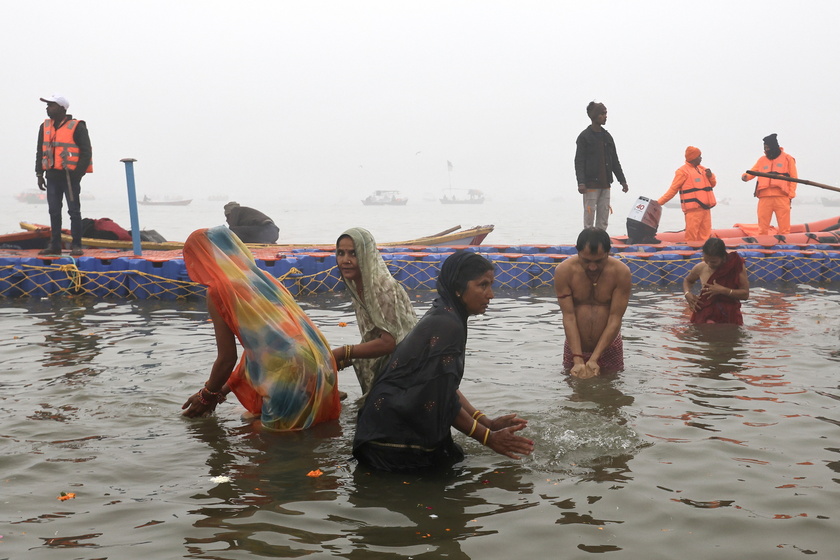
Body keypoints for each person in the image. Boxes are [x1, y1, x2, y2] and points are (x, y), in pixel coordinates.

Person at [353, 251, 535, 472]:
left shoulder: (445, 314)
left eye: (490, 285)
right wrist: (488, 438)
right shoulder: (449, 325)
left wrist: (485, 422)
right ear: (458, 289)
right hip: (390, 442)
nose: (491, 295)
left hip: (381, 431)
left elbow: (441, 384)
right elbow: (440, 396)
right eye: (483, 285)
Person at [181, 226, 340, 430]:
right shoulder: (265, 278)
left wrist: (206, 396)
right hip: (321, 360)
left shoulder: (219, 290)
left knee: (270, 446)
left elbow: (227, 359)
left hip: (289, 373)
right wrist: (221, 391)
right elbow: (264, 349)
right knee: (315, 433)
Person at [331, 227, 417, 395]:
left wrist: (342, 352)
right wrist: (340, 361)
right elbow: (374, 336)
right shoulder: (357, 285)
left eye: (353, 254)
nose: (345, 260)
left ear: (366, 255)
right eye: (341, 253)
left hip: (406, 372)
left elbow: (389, 342)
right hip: (391, 369)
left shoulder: (381, 288)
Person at [553, 228, 631, 378]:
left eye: (599, 261)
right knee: (574, 393)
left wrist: (595, 358)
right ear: (577, 251)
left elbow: (615, 318)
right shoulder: (564, 271)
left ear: (609, 252)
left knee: (611, 391)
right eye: (586, 261)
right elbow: (568, 316)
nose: (593, 267)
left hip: (610, 347)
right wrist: (577, 358)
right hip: (575, 347)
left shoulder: (621, 272)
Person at [35, 94, 92, 257]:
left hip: (70, 176)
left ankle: (76, 245)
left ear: (61, 108)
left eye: (51, 105)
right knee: (54, 210)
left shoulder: (77, 126)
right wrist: (39, 173)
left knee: (74, 211)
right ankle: (55, 246)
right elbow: (40, 151)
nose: (47, 108)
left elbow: (86, 153)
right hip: (52, 175)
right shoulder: (44, 127)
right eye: (47, 105)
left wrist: (77, 174)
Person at [574, 101, 629, 232]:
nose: (605, 116)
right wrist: (581, 182)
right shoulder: (584, 137)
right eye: (602, 114)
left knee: (603, 217)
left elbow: (615, 161)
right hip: (590, 185)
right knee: (589, 217)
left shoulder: (607, 137)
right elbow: (579, 162)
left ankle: (601, 242)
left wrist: (622, 180)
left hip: (605, 184)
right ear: (594, 116)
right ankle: (587, 242)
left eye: (606, 113)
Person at [741, 133, 798, 235]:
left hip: (782, 196)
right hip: (764, 197)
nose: (766, 150)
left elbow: (794, 178)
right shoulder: (762, 160)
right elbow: (752, 172)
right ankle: (763, 245)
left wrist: (791, 194)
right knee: (762, 227)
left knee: (784, 228)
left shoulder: (788, 159)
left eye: (768, 147)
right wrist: (745, 176)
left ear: (774, 147)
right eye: (765, 147)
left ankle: (786, 246)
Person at [657, 146, 717, 242]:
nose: (701, 158)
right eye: (699, 156)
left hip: (706, 209)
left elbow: (712, 184)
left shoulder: (703, 170)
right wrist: (659, 202)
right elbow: (673, 190)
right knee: (692, 235)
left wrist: (710, 176)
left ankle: (704, 252)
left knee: (706, 234)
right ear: (693, 157)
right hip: (693, 211)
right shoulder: (682, 172)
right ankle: (691, 253)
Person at [683, 238, 749, 325]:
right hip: (705, 316)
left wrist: (723, 290)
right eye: (707, 260)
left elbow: (745, 294)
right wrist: (687, 294)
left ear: (723, 258)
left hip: (729, 317)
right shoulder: (701, 267)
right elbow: (687, 280)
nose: (709, 264)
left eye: (714, 262)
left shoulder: (735, 266)